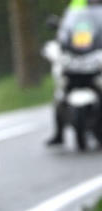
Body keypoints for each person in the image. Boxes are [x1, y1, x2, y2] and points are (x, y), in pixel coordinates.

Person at [46, 0, 102, 145]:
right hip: (81, 48)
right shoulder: (78, 3)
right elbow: (69, 24)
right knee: (60, 90)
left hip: (98, 48)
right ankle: (59, 133)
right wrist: (62, 37)